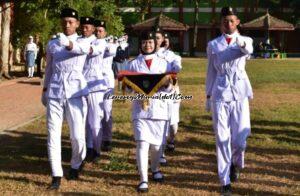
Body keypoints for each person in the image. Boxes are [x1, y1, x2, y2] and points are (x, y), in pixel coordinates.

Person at [205, 6, 253, 195]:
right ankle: (224, 180)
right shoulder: (213, 45)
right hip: (220, 93)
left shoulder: (245, 40)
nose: (228, 23)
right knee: (222, 138)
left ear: (237, 22)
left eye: (232, 20)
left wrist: (240, 43)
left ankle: (236, 163)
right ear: (221, 23)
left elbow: (247, 50)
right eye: (225, 21)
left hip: (240, 93)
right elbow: (210, 72)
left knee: (240, 140)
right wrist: (208, 96)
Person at [42, 8, 92, 190]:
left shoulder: (84, 41)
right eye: (64, 21)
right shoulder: (53, 43)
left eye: (71, 21)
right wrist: (45, 89)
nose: (67, 24)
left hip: (75, 92)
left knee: (77, 135)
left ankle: (76, 163)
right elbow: (49, 68)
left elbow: (82, 51)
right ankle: (56, 174)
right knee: (52, 133)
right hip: (55, 90)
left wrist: (69, 44)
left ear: (77, 24)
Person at [125, 31, 181, 193]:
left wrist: (167, 85)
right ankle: (143, 179)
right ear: (140, 44)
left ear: (155, 44)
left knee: (157, 146)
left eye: (150, 42)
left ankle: (155, 168)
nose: (147, 45)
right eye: (144, 42)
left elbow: (172, 88)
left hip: (159, 109)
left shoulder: (165, 63)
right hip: (140, 110)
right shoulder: (133, 64)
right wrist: (128, 85)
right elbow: (128, 88)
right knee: (142, 143)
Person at [83, 18, 108, 163]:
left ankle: (97, 150)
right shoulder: (81, 40)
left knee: (95, 121)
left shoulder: (100, 42)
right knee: (84, 120)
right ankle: (88, 148)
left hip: (95, 86)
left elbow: (96, 51)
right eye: (83, 27)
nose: (85, 30)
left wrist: (73, 46)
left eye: (88, 27)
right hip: (82, 85)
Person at [99, 21, 117, 152]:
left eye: (101, 31)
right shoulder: (89, 43)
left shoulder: (109, 45)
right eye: (96, 30)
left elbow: (111, 51)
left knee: (106, 111)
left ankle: (107, 139)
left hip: (107, 83)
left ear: (105, 33)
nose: (98, 33)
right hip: (92, 82)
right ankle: (93, 138)